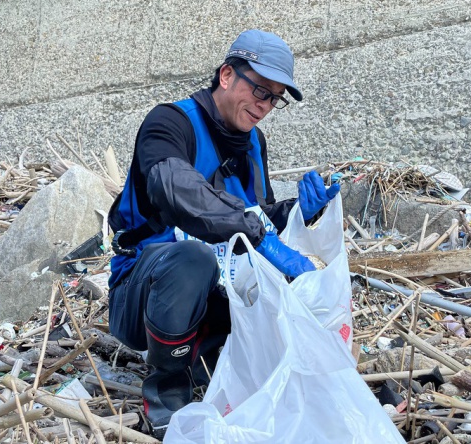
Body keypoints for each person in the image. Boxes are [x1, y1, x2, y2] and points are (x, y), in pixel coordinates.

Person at [107, 29, 340, 438]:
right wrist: (253, 229)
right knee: (191, 260)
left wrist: (299, 212)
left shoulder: (253, 145)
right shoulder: (168, 124)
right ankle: (166, 391)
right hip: (143, 292)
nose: (264, 106)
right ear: (227, 75)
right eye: (260, 91)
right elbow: (176, 189)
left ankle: (214, 356)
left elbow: (257, 217)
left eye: (275, 98)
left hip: (218, 287)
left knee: (280, 289)